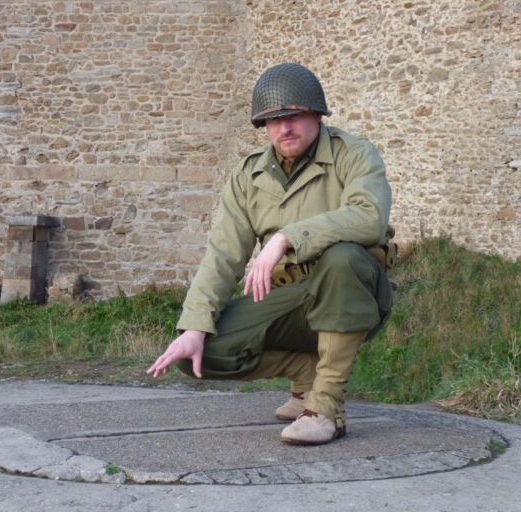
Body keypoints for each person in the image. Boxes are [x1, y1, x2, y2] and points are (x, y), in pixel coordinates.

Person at [147, 63, 394, 445]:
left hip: (355, 295)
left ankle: (324, 409)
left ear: (316, 114)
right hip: (292, 299)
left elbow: (369, 218)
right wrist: (194, 326)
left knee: (342, 257)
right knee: (197, 353)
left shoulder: (355, 155)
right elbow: (223, 256)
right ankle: (306, 375)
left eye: (293, 116)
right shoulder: (249, 177)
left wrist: (286, 237)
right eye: (272, 120)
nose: (284, 128)